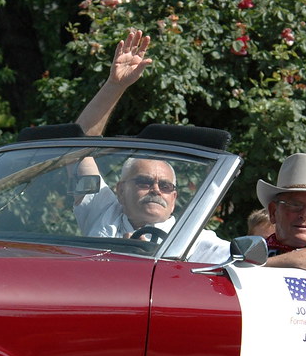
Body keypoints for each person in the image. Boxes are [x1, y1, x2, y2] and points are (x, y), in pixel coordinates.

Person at [72, 29, 228, 263]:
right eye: (144, 182)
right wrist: (114, 85)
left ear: (174, 198)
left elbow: (262, 263)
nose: (156, 190)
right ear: (121, 191)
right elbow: (78, 149)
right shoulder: (102, 211)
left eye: (165, 186)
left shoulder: (195, 241)